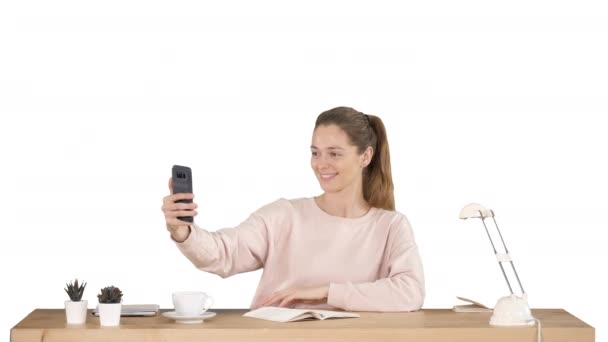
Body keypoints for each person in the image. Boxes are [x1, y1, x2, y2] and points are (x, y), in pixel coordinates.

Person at [161, 106, 425, 312]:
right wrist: (184, 232)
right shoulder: (284, 216)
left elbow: (410, 292)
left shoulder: (390, 226)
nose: (321, 164)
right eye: (315, 153)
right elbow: (221, 254)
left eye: (334, 154)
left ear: (365, 157)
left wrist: (325, 292)